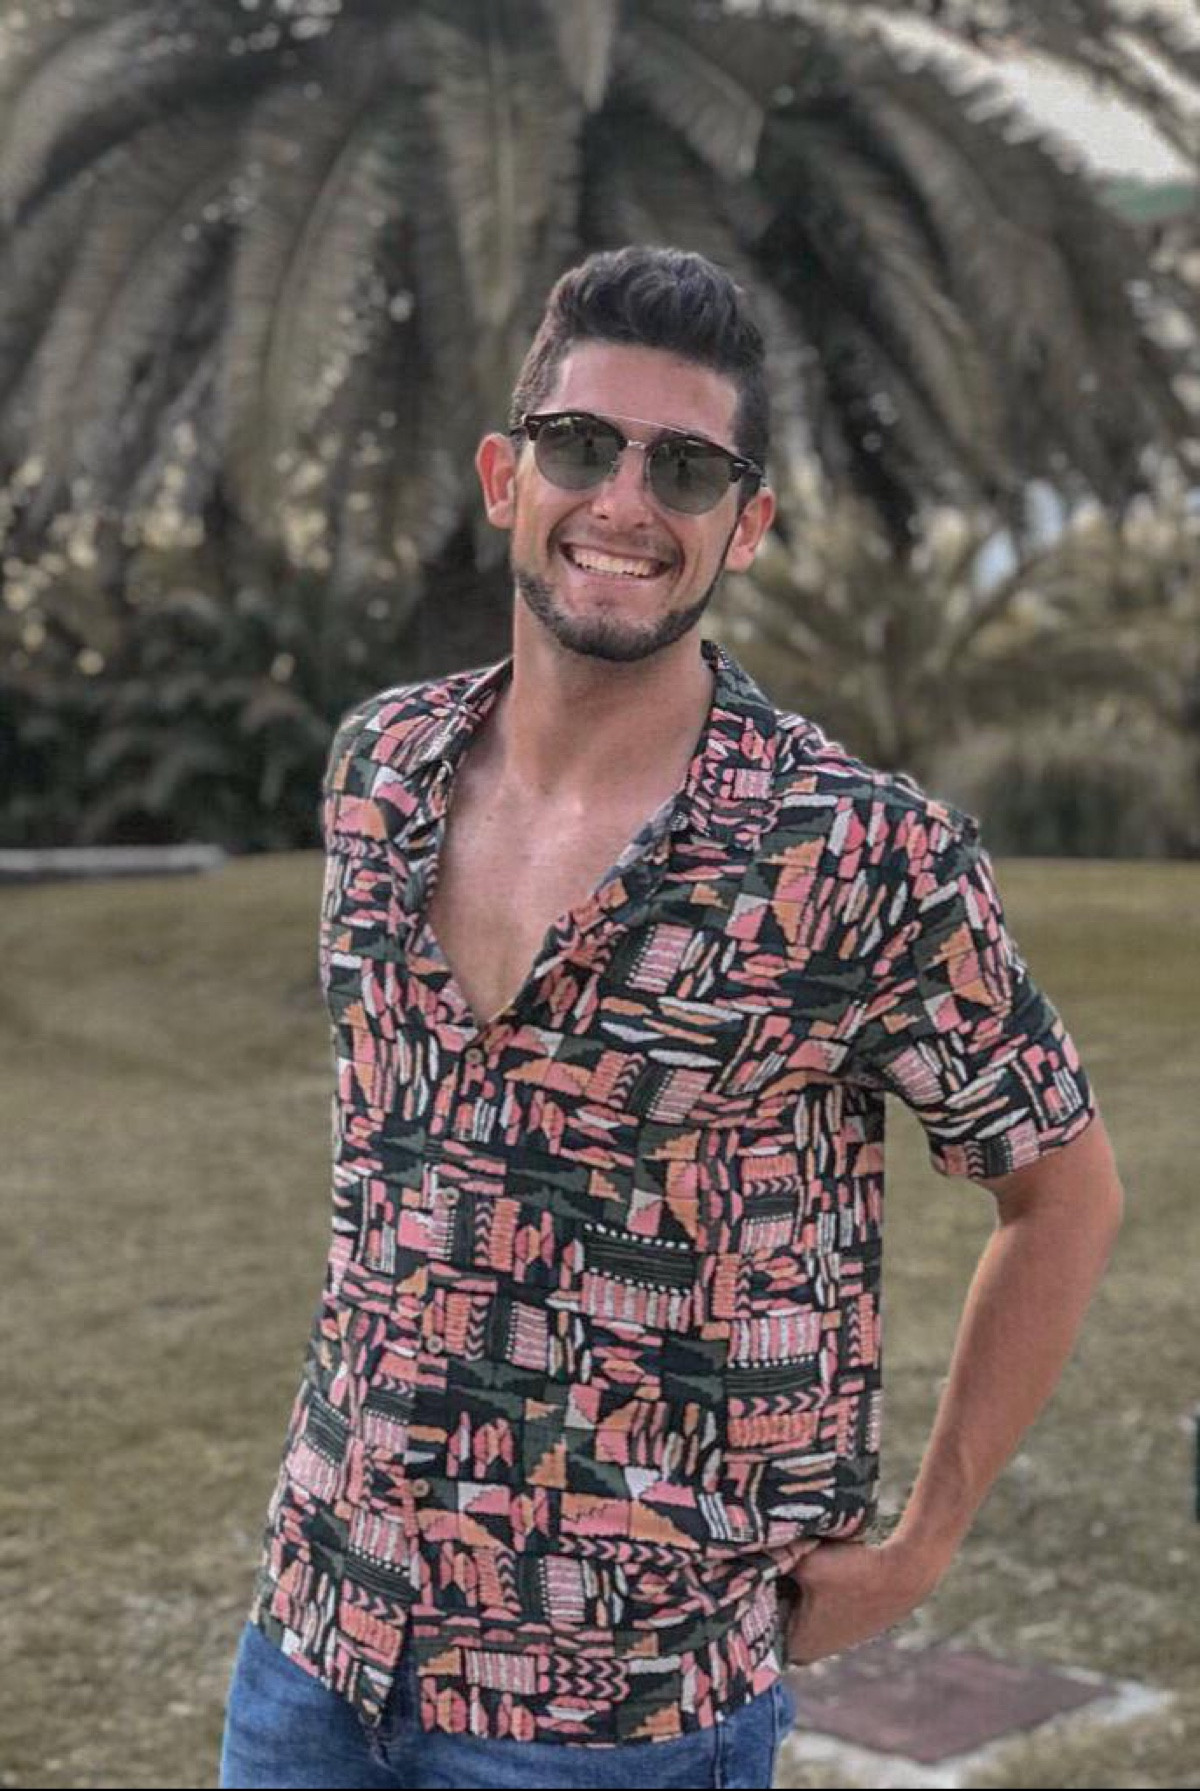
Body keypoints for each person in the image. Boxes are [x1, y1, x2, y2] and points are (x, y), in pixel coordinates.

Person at [218, 245, 1124, 1790]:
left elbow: (1063, 1192)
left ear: (745, 526)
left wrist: (923, 1539)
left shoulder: (856, 854)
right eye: (582, 446)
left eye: (687, 468)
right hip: (316, 1643)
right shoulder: (380, 773)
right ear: (506, 476)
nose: (626, 502)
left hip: (626, 1716)